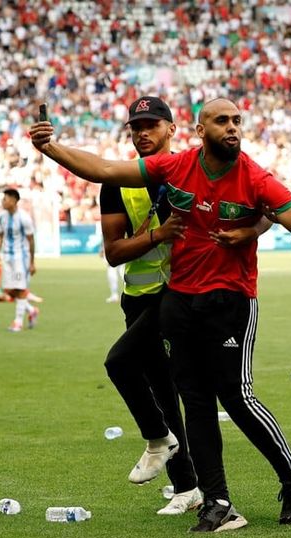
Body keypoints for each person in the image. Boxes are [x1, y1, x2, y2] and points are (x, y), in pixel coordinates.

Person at [32, 97, 291, 533]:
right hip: (179, 300)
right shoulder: (174, 168)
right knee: (195, 402)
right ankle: (218, 502)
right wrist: (52, 149)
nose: (232, 127)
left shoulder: (256, 177)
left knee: (238, 396)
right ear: (199, 130)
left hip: (231, 301)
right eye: (221, 120)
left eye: (236, 121)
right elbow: (103, 170)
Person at [99, 96, 201, 516]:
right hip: (137, 299)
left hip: (178, 296)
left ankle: (162, 444)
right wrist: (160, 236)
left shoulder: (191, 172)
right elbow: (114, 252)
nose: (143, 132)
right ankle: (188, 486)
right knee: (163, 389)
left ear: (171, 129)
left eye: (151, 125)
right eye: (136, 127)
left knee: (121, 363)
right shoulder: (117, 181)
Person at [0, 188, 39, 331]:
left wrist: (31, 262)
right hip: (7, 257)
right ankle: (31, 310)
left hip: (20, 259)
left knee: (20, 288)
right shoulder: (2, 217)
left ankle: (18, 322)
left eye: (5, 199)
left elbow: (31, 240)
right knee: (8, 290)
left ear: (13, 201)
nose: (3, 201)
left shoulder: (24, 218)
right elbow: (0, 234)